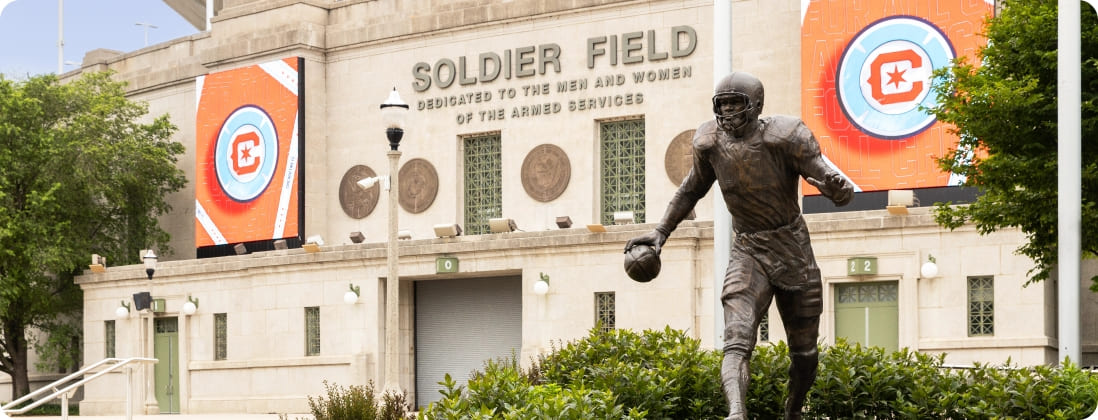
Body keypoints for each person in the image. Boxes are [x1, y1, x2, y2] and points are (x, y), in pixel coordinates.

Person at [625, 71, 853, 420]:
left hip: (792, 246)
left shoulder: (786, 135)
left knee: (805, 355)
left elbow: (823, 175)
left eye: (736, 103)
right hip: (748, 248)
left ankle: (792, 410)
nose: (729, 110)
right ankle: (736, 413)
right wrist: (660, 234)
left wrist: (836, 188)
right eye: (723, 103)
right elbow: (690, 190)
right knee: (737, 337)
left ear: (756, 106)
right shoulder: (710, 142)